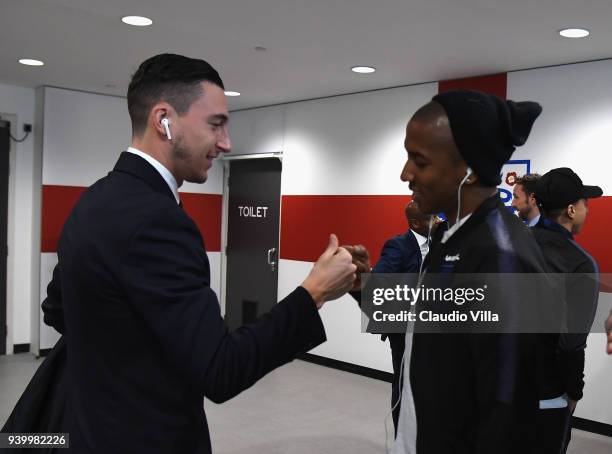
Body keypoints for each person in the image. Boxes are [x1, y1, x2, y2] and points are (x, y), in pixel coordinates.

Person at [37, 54, 356, 454]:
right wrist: (315, 292)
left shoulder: (95, 200)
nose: (226, 143)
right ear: (164, 120)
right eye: (215, 124)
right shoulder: (158, 221)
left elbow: (58, 309)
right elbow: (221, 370)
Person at [358, 89, 551, 454]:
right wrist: (361, 286)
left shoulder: (501, 258)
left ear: (471, 170)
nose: (405, 174)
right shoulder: (451, 237)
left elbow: (508, 415)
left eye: (420, 161)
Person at [347, 200, 437, 434]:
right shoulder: (398, 246)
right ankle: (400, 439)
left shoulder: (439, 243)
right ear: (416, 223)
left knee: (428, 385)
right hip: (403, 327)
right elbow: (379, 283)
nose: (436, 221)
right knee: (403, 383)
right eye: (431, 218)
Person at [532, 167, 602, 453]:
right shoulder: (580, 265)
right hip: (549, 390)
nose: (588, 209)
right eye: (585, 203)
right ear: (571, 210)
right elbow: (571, 343)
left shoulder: (508, 245)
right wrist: (574, 391)